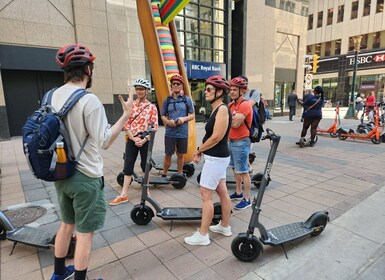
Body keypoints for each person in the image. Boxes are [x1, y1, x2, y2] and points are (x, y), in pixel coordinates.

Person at [50, 44, 132, 280]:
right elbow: (105, 141)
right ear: (88, 69)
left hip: (61, 172)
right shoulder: (89, 100)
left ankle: (58, 274)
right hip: (85, 176)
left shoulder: (52, 95)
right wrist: (125, 116)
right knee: (85, 233)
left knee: (66, 224)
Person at [184, 76, 232, 246]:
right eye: (206, 89)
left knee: (206, 196)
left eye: (209, 89)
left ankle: (203, 235)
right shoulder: (216, 109)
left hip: (216, 159)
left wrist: (198, 150)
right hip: (217, 157)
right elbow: (210, 136)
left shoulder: (223, 110)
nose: (206, 92)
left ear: (220, 92)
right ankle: (224, 226)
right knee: (222, 191)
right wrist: (201, 151)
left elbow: (217, 137)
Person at [109, 78, 158, 206]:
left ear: (147, 91)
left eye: (141, 89)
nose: (139, 91)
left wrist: (144, 139)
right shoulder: (131, 104)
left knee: (145, 165)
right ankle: (124, 194)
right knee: (128, 165)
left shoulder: (152, 107)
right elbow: (126, 124)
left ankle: (146, 190)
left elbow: (154, 127)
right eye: (137, 89)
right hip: (132, 139)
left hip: (145, 140)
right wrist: (133, 138)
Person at [160, 74, 195, 177]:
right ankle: (164, 174)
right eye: (173, 84)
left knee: (180, 155)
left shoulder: (187, 99)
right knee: (168, 154)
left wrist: (183, 119)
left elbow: (192, 115)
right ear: (171, 86)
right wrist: (167, 121)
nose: (175, 85)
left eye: (178, 84)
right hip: (170, 132)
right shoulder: (167, 100)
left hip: (182, 132)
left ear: (181, 86)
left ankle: (179, 174)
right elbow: (162, 115)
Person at [227, 77, 253, 210]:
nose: (231, 92)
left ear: (241, 91)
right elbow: (227, 121)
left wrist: (230, 120)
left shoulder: (245, 104)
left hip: (241, 142)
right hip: (231, 141)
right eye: (230, 89)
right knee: (234, 169)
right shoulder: (231, 105)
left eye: (234, 90)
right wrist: (231, 119)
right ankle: (238, 192)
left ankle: (247, 199)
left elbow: (235, 124)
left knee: (243, 171)